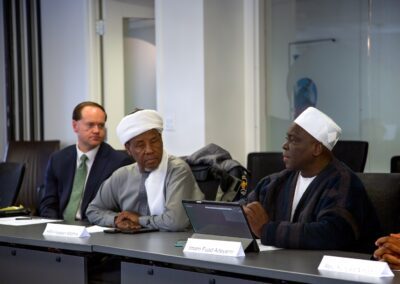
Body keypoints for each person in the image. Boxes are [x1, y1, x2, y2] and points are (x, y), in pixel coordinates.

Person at [242, 107, 381, 253]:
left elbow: (330, 234)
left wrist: (266, 229)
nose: (284, 146)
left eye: (293, 140)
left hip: (331, 272)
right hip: (284, 267)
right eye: (286, 138)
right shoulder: (275, 182)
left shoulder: (344, 183)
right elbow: (243, 211)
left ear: (316, 149)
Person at [86, 109, 204, 231]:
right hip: (131, 244)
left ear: (161, 139)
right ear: (128, 149)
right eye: (140, 145)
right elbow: (93, 210)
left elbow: (175, 221)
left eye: (154, 141)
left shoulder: (177, 170)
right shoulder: (122, 175)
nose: (149, 150)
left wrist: (139, 220)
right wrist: (116, 220)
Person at [39, 101, 132, 221]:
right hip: (60, 227)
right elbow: (49, 203)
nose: (97, 130)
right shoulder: (58, 159)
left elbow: (118, 208)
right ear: (75, 126)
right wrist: (54, 226)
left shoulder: (119, 162)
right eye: (90, 125)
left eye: (101, 125)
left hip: (94, 228)